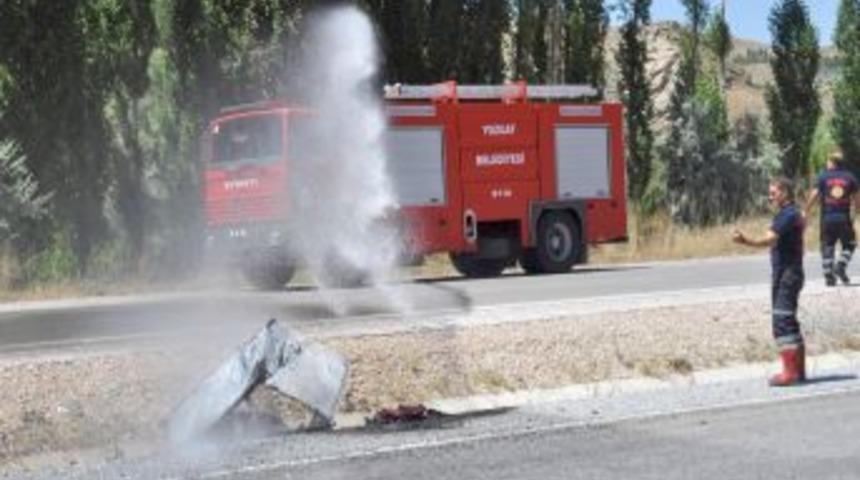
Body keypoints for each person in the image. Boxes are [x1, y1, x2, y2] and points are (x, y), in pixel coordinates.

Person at [732, 177, 806, 386]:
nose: (770, 196)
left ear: (784, 192)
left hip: (787, 275)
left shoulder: (787, 215)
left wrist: (744, 241)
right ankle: (798, 371)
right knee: (789, 321)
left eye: (773, 193)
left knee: (782, 322)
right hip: (790, 273)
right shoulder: (793, 213)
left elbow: (769, 239)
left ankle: (790, 374)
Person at [804, 151, 859, 286]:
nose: (826, 164)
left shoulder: (823, 177)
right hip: (844, 218)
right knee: (850, 244)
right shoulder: (850, 177)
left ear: (832, 162)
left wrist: (806, 210)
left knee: (827, 245)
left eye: (828, 161)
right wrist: (857, 210)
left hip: (827, 218)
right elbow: (858, 198)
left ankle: (829, 275)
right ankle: (840, 266)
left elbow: (815, 194)